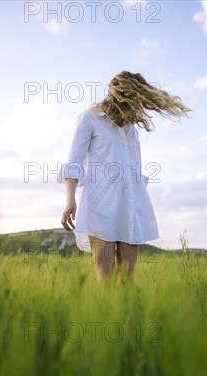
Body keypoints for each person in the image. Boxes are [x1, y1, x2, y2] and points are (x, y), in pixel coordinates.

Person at [59, 71, 190, 282]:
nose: (137, 107)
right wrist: (70, 200)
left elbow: (133, 169)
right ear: (120, 96)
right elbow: (74, 162)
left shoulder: (131, 130)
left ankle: (126, 316)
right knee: (106, 277)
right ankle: (105, 315)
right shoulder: (90, 120)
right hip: (101, 208)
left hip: (131, 207)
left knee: (127, 278)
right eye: (133, 100)